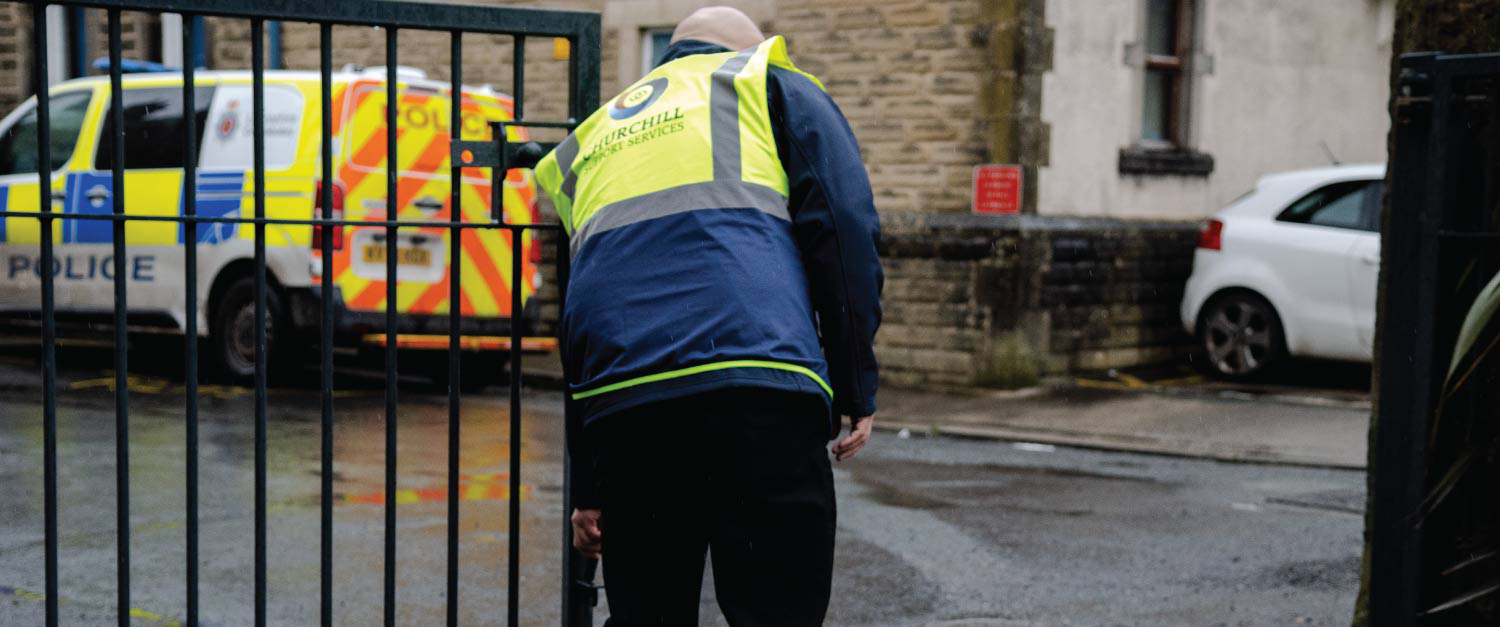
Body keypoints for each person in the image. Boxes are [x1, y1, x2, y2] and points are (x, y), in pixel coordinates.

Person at [534, 6, 883, 625]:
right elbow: (841, 225)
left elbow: (580, 315)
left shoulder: (594, 138)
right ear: (748, 46)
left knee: (648, 612)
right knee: (776, 609)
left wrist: (589, 488)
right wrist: (855, 382)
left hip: (627, 405)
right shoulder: (763, 82)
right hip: (756, 387)